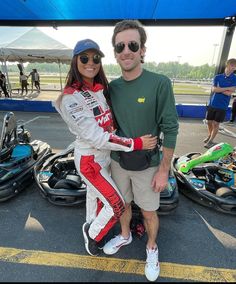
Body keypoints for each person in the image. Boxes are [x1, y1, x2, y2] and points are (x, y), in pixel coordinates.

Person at [54, 39, 157, 257]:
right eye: (84, 58)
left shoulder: (99, 90)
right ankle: (93, 235)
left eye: (95, 58)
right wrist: (136, 143)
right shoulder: (69, 98)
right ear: (75, 61)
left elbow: (109, 124)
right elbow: (98, 137)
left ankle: (90, 224)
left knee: (95, 196)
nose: (90, 62)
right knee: (117, 205)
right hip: (90, 161)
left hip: (106, 157)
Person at [102, 20, 179, 282]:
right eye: (120, 46)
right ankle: (124, 236)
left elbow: (171, 128)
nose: (126, 50)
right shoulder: (111, 88)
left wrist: (164, 169)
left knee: (147, 211)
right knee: (121, 204)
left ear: (142, 50)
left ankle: (151, 248)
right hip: (118, 161)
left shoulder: (160, 83)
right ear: (114, 52)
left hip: (148, 165)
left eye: (132, 45)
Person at [204, 58, 236, 148]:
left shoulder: (235, 78)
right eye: (232, 66)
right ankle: (210, 135)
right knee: (209, 122)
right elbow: (214, 89)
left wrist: (220, 89)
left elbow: (231, 91)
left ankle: (210, 141)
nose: (233, 68)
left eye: (235, 67)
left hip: (222, 105)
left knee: (216, 123)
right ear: (228, 65)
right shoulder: (217, 77)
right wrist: (226, 88)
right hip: (213, 103)